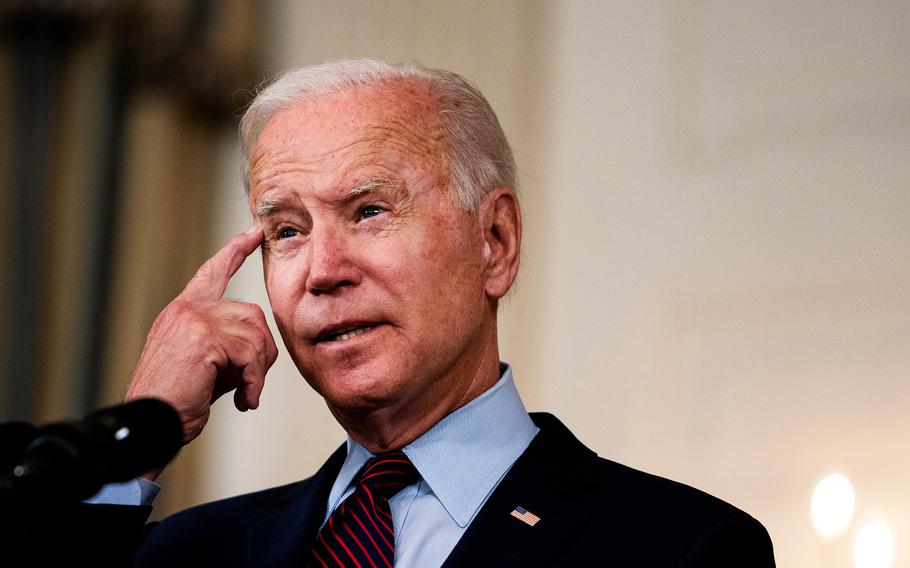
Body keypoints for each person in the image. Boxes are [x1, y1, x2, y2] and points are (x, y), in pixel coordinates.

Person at [99, 59, 775, 566]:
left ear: (496, 242)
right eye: (287, 231)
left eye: (369, 211)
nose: (323, 271)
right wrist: (129, 443)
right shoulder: (188, 554)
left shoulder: (682, 549)